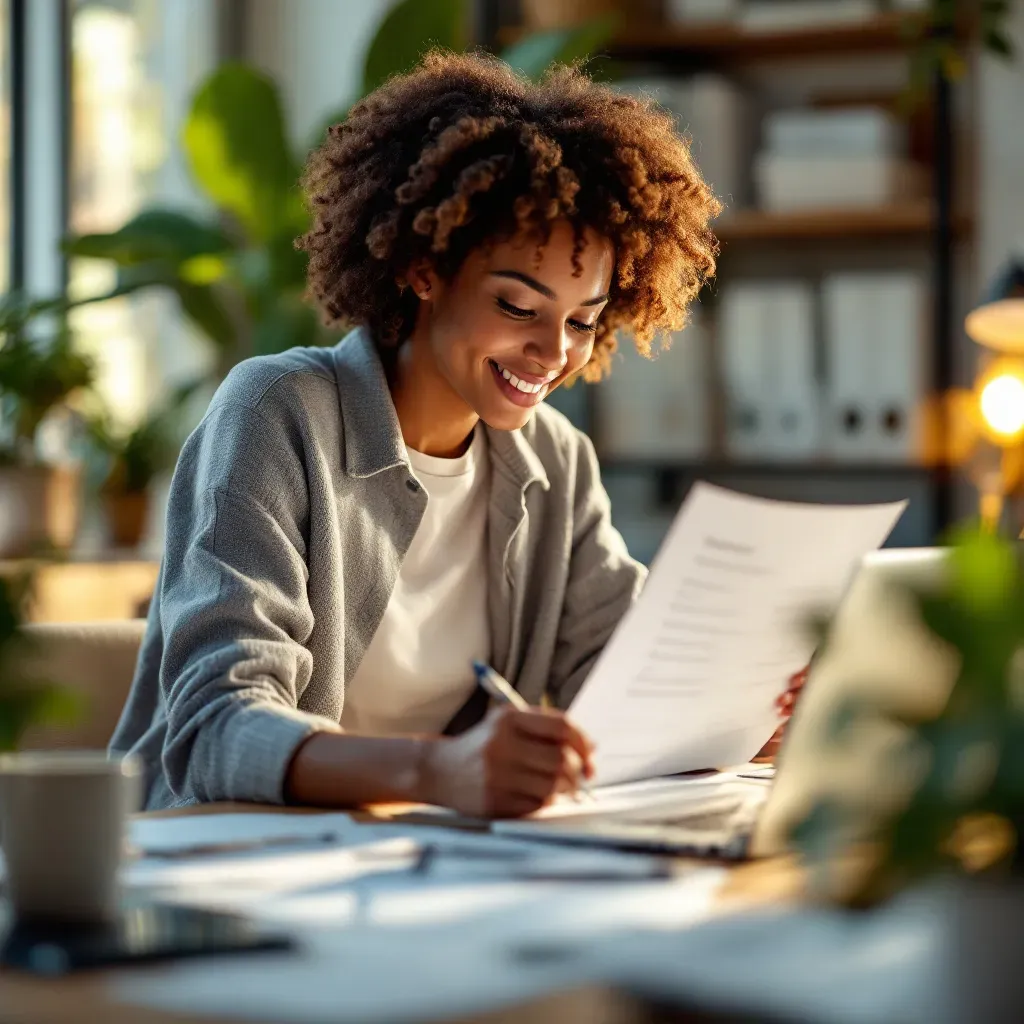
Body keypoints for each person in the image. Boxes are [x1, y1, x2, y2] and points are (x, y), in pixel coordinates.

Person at [110, 50, 799, 818]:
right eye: (516, 306)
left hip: (408, 862)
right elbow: (216, 730)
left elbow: (622, 690)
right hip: (209, 857)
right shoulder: (278, 413)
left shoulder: (554, 462)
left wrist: (748, 714)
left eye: (582, 320)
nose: (554, 352)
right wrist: (438, 773)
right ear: (423, 268)